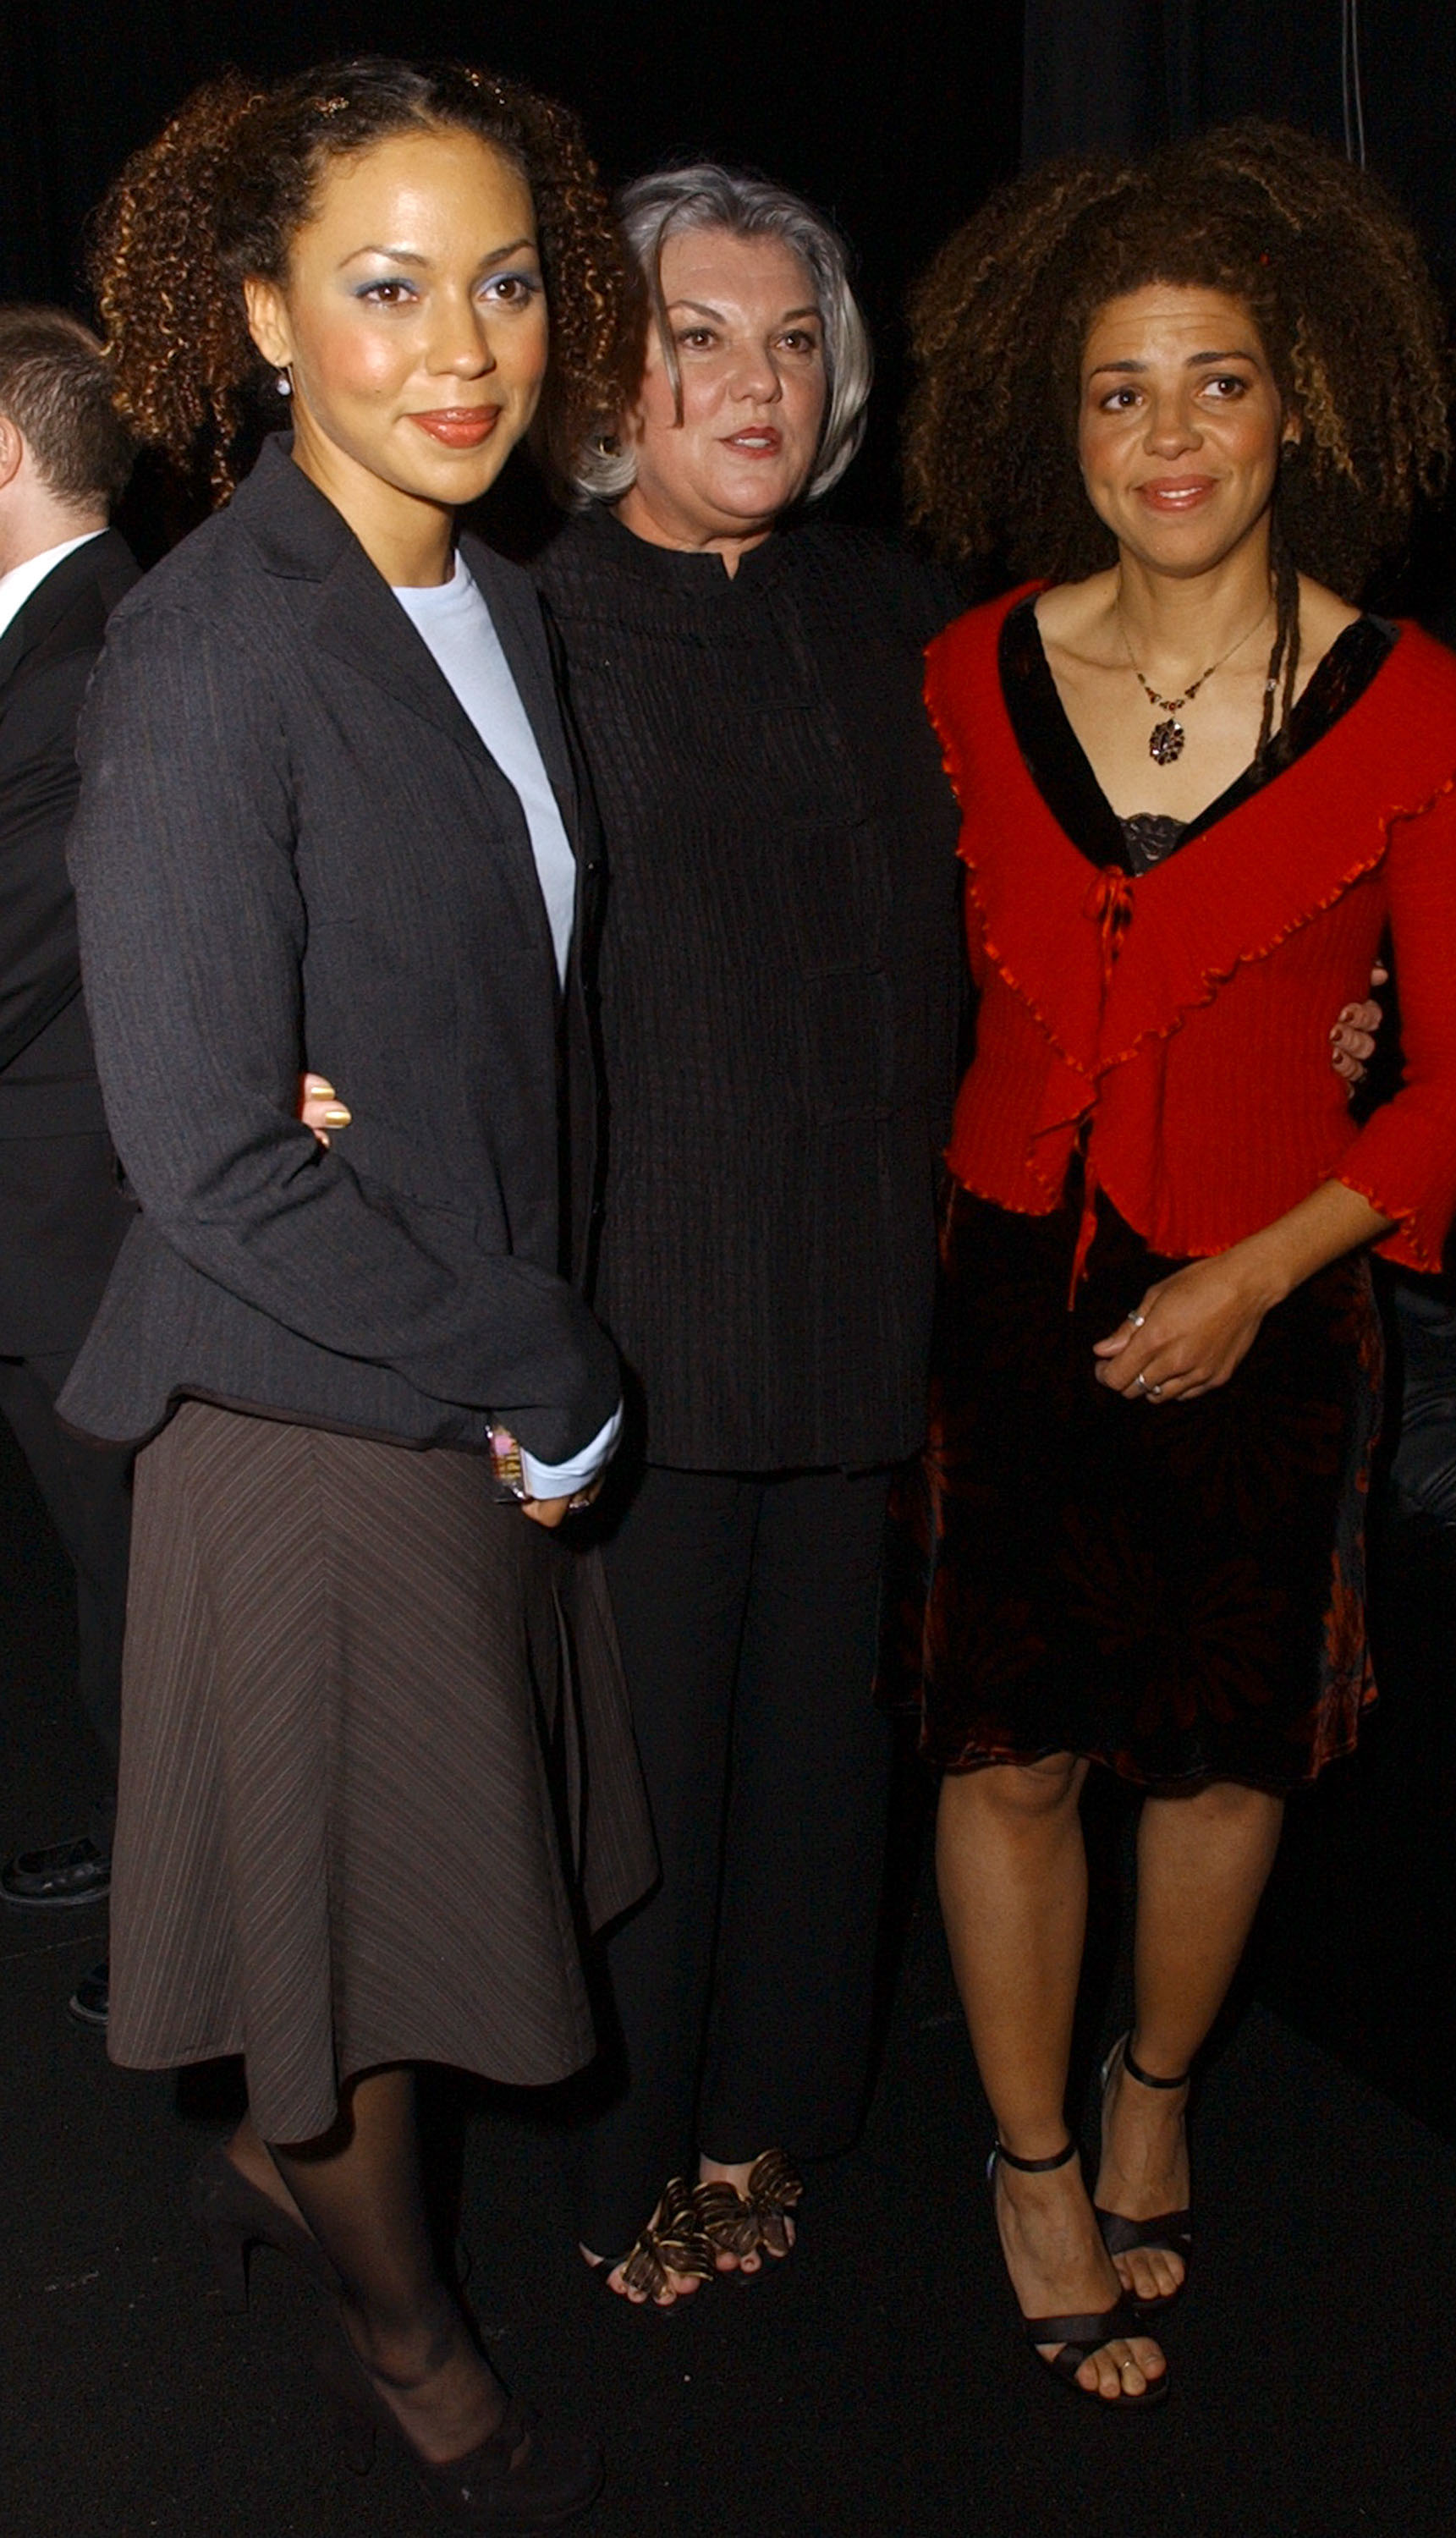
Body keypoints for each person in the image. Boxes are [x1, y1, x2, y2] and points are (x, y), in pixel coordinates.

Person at [63, 58, 652, 2528]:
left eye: (507, 278)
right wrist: (544, 1358)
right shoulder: (212, 647)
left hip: (449, 1370)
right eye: (389, 286)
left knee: (385, 1927)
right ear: (266, 316)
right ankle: (396, 2329)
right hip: (319, 1425)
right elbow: (201, 1143)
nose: (465, 344)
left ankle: (279, 2180)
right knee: (372, 1950)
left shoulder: (493, 598)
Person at [897, 123, 1456, 2404]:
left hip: (1272, 1301)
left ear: (1305, 404)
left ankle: (1157, 2086)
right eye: (1119, 393)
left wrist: (1256, 1275)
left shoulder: (1427, 724)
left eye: (1219, 383)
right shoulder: (957, 678)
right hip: (999, 1298)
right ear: (1054, 426)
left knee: (1227, 1758)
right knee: (1009, 1756)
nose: (1170, 438)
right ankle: (1031, 2151)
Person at [531, 165, 965, 2301]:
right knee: (649, 1776)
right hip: (643, 1313)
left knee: (819, 1767)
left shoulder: (891, 612)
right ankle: (619, 2167)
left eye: (795, 338)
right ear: (614, 367)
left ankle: (765, 2133)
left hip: (868, 1286)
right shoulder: (529, 623)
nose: (757, 379)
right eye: (700, 332)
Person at [0, 307, 139, 2024]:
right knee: (110, 1574)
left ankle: (190, 1916)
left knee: (145, 1582)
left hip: (87, 1236)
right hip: (37, 1234)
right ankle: (143, 1836)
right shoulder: (40, 639)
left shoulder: (100, 648)